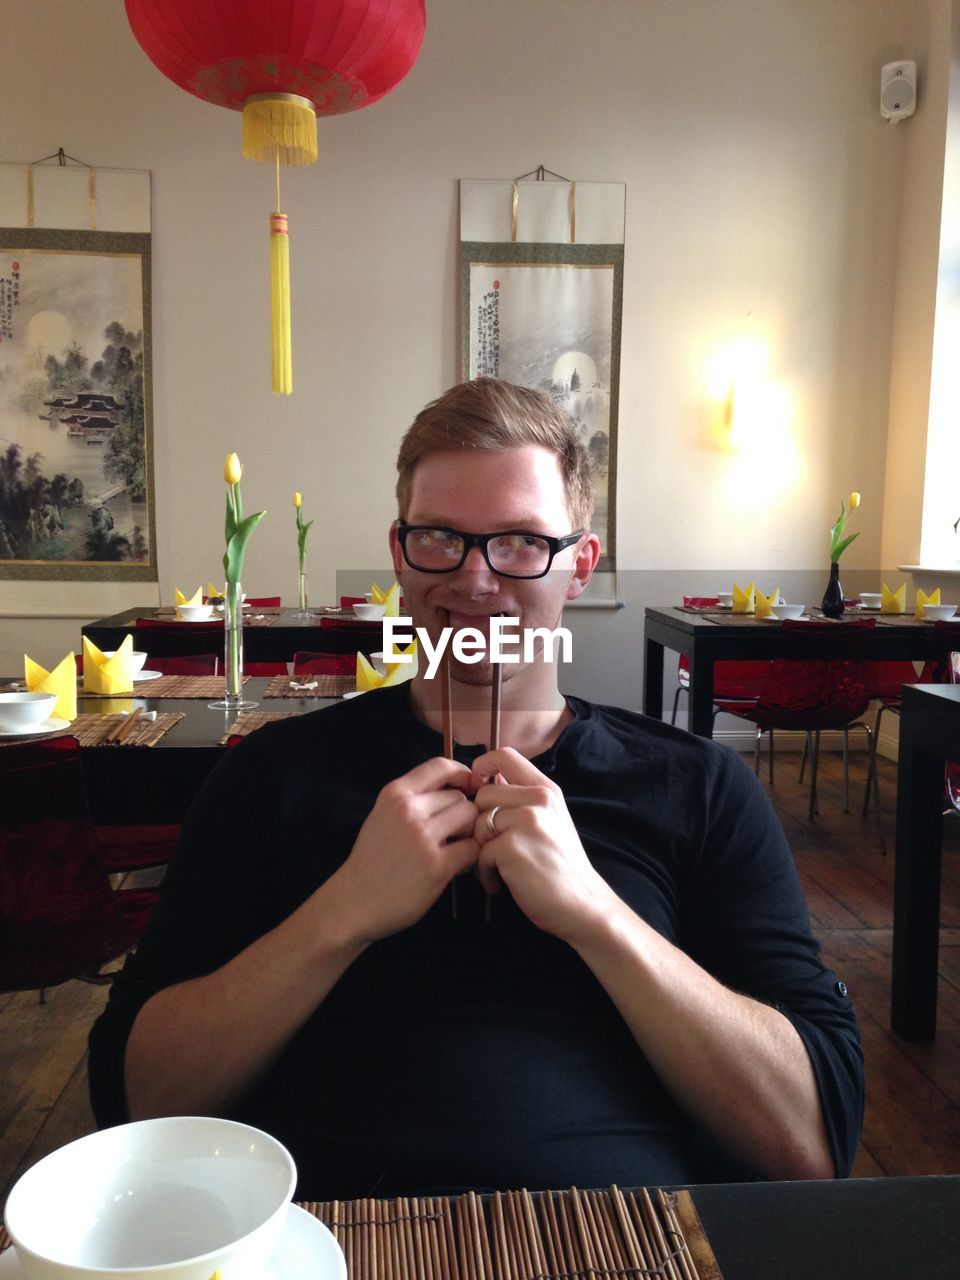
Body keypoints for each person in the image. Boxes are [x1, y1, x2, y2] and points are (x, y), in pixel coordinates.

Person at [89, 378, 863, 1198]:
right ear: (399, 551)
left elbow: (814, 1141)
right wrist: (342, 912)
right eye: (440, 538)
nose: (476, 578)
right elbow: (137, 1100)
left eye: (522, 542)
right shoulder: (270, 773)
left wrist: (597, 915)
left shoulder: (700, 787)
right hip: (313, 1239)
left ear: (581, 566)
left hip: (620, 1240)